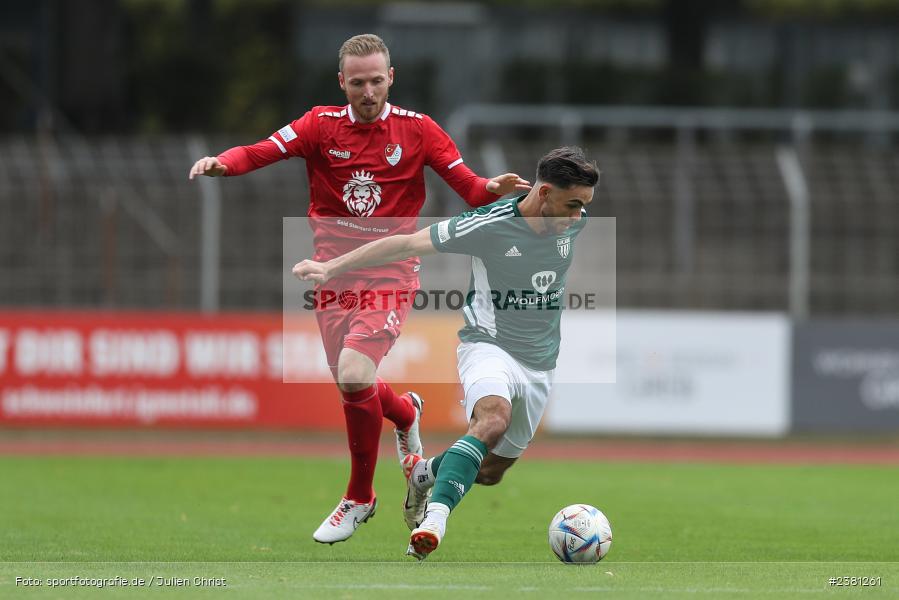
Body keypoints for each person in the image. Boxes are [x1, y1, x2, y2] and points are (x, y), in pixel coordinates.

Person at [188, 33, 530, 544]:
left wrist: (492, 190)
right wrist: (224, 163)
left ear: (390, 78)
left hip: (391, 273)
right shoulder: (318, 125)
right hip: (331, 274)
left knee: (353, 372)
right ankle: (406, 412)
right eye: (357, 82)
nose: (367, 91)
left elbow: (470, 187)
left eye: (376, 80)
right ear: (342, 82)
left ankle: (359, 496)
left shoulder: (419, 131)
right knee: (355, 385)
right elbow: (261, 150)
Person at [293, 146, 599, 559]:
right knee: (493, 418)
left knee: (490, 472)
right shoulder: (488, 224)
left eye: (584, 206)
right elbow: (404, 244)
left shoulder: (572, 221)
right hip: (488, 344)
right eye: (573, 205)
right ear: (544, 193)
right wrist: (332, 268)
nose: (579, 217)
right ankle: (434, 520)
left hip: (541, 362)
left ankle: (423, 472)